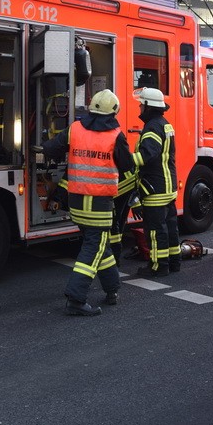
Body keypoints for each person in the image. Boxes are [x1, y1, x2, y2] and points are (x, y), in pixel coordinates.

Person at [42, 89, 134, 316]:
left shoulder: (75, 129)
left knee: (99, 246)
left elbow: (50, 148)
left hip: (76, 202)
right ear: (114, 112)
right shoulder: (116, 136)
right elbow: (128, 167)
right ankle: (76, 299)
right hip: (99, 204)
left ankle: (112, 289)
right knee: (94, 248)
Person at [131, 87, 180, 277]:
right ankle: (174, 261)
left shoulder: (152, 127)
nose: (139, 108)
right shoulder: (165, 124)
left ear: (147, 106)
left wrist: (127, 160)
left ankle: (158, 266)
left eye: (141, 105)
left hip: (155, 189)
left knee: (154, 230)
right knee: (171, 227)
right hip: (168, 186)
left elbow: (147, 155)